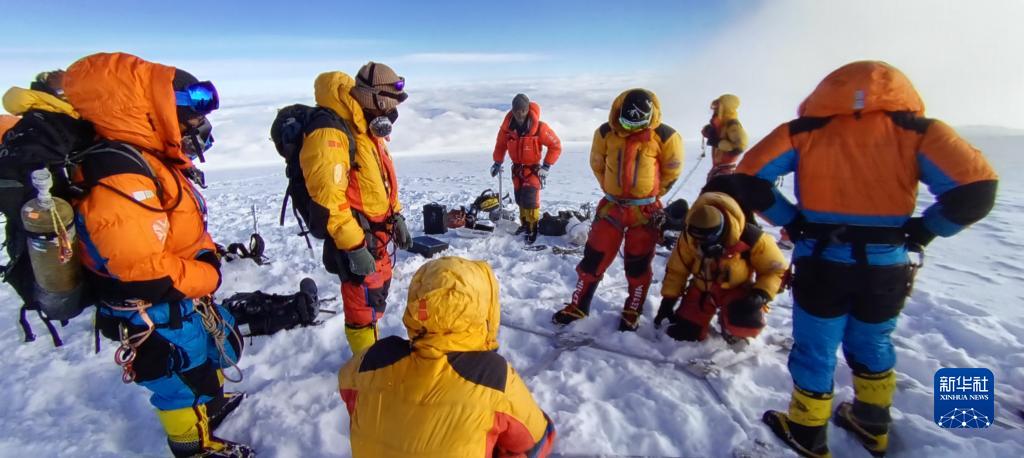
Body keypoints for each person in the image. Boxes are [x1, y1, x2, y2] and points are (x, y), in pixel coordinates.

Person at [712, 61, 997, 457]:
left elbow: (747, 178)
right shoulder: (919, 131)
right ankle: (871, 420)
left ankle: (807, 429)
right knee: (873, 340)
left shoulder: (804, 131)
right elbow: (977, 189)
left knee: (816, 347)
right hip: (886, 264)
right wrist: (926, 230)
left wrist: (791, 220)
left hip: (823, 261)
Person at [65, 52, 250, 457]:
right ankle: (193, 447)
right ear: (161, 110)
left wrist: (204, 259)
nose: (199, 126)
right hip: (152, 312)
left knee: (202, 361)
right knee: (179, 383)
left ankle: (210, 410)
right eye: (193, 117)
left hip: (178, 301)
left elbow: (174, 229)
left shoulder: (148, 160)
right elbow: (142, 272)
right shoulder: (120, 172)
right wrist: (207, 275)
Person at [338, 256, 557, 457]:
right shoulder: (493, 376)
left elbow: (347, 388)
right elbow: (537, 439)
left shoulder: (372, 359)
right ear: (484, 310)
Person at [301, 62, 412, 354]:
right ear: (375, 99)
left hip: (377, 236)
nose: (393, 111)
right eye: (391, 103)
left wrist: (396, 214)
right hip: (357, 239)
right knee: (362, 308)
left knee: (375, 299)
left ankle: (371, 353)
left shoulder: (366, 127)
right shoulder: (332, 132)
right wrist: (353, 246)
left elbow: (381, 180)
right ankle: (366, 366)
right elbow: (329, 200)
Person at [552, 88, 683, 331]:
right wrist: (612, 190)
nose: (630, 129)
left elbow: (671, 171)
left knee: (638, 264)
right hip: (612, 208)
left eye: (637, 125)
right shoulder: (605, 133)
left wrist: (650, 195)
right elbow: (597, 164)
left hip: (645, 212)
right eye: (626, 123)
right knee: (594, 258)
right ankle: (579, 305)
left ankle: (633, 310)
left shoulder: (666, 137)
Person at [655, 192, 787, 343]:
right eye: (698, 239)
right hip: (701, 290)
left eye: (707, 239)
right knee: (684, 333)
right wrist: (668, 301)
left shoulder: (751, 237)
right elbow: (677, 270)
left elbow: (776, 269)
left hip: (738, 291)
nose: (702, 244)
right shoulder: (688, 237)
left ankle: (733, 327)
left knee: (747, 324)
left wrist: (761, 294)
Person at [491, 93, 562, 243]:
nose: (520, 113)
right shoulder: (507, 128)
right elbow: (500, 145)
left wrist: (546, 166)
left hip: (533, 169)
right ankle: (525, 225)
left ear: (528, 109)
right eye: (517, 110)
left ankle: (532, 227)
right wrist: (497, 162)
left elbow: (555, 145)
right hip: (517, 169)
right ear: (513, 110)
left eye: (523, 110)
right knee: (520, 198)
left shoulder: (539, 128)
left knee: (531, 199)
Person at [701, 94, 748, 183]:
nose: (715, 108)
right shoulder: (722, 123)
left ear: (726, 107)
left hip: (725, 172)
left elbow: (740, 145)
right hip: (718, 169)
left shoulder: (732, 124)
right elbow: (714, 133)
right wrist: (708, 131)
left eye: (718, 106)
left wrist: (720, 143)